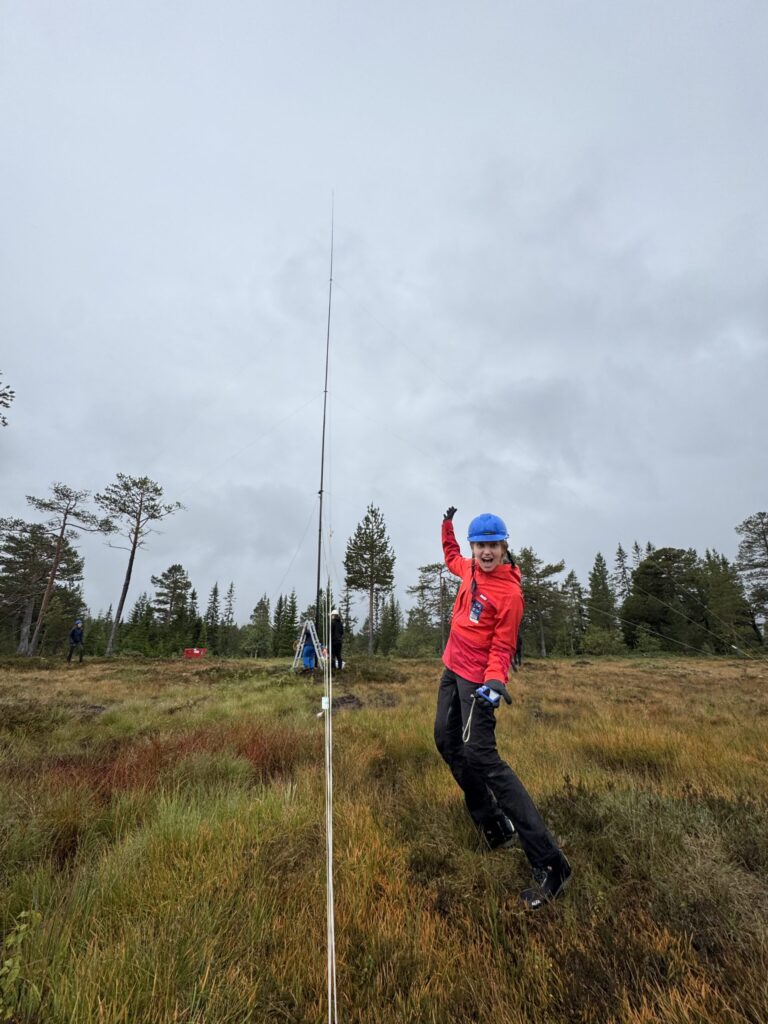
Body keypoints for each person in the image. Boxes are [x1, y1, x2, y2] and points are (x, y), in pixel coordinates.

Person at [433, 507, 572, 910]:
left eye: (493, 544)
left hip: (478, 681)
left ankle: (550, 863)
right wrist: (447, 527)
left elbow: (503, 645)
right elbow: (449, 557)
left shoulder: (509, 593)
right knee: (445, 740)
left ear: (504, 546)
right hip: (452, 669)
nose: (486, 552)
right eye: (480, 545)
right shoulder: (469, 569)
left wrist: (495, 681)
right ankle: (493, 822)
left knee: (482, 757)